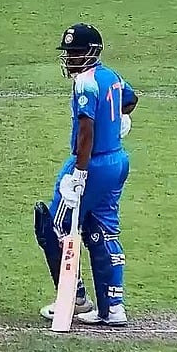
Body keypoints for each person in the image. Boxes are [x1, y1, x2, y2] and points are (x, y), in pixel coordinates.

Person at [35, 23, 139, 327]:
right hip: (117, 162)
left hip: (90, 165)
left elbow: (85, 130)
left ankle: (75, 299)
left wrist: (79, 172)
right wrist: (119, 119)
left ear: (92, 52)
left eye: (77, 52)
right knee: (103, 229)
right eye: (69, 53)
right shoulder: (112, 77)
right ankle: (113, 307)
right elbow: (130, 100)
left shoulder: (85, 83)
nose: (71, 58)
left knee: (54, 228)